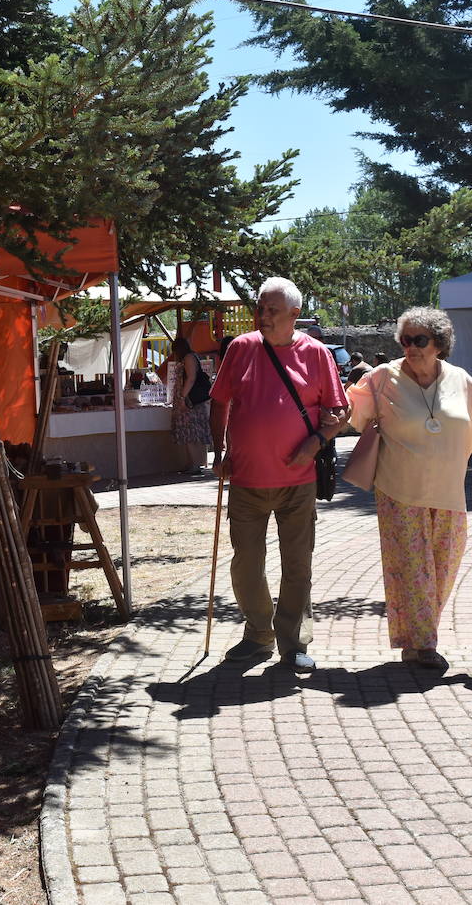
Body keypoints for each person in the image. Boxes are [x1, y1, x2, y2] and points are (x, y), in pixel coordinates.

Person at [347, 309, 472, 669]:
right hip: (399, 490)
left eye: (420, 340)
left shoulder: (460, 380)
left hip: (450, 492)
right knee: (413, 569)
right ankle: (425, 644)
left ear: (439, 344)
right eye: (405, 340)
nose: (411, 348)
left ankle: (414, 637)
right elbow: (349, 410)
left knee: (443, 569)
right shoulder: (384, 378)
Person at [210, 277, 349, 671]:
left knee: (297, 564)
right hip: (246, 479)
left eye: (272, 309)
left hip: (298, 481)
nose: (262, 315)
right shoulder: (240, 348)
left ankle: (292, 642)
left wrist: (316, 441)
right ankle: (257, 635)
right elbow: (219, 403)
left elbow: (340, 411)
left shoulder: (318, 354)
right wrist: (219, 450)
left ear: (294, 315)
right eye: (260, 307)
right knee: (246, 563)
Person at [166, 337, 212, 474]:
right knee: (189, 434)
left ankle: (196, 464)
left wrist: (182, 397)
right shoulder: (189, 357)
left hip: (191, 403)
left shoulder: (189, 358)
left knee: (192, 434)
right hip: (188, 401)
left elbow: (191, 378)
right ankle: (192, 463)